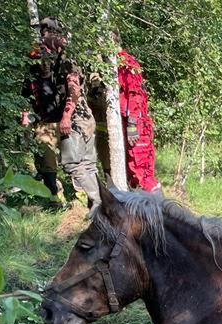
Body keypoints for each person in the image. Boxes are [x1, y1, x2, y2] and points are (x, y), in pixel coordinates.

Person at [21, 17, 100, 207]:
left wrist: (66, 117)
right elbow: (26, 87)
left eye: (45, 31)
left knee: (79, 163)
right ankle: (55, 198)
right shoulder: (36, 57)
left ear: (55, 34)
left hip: (73, 117)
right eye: (41, 32)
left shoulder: (67, 57)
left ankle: (95, 202)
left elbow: (74, 90)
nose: (42, 35)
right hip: (46, 117)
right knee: (48, 160)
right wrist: (25, 115)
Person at [89, 39, 161, 193]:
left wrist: (132, 124)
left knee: (140, 170)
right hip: (124, 122)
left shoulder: (127, 64)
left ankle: (160, 209)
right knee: (129, 171)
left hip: (136, 124)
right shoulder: (110, 66)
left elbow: (136, 96)